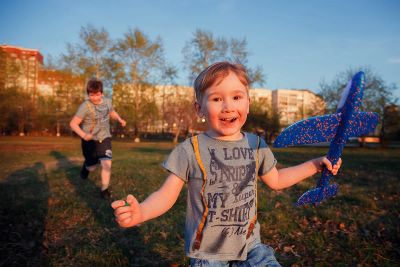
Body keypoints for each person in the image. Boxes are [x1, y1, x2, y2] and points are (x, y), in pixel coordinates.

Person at [111, 62, 342, 266]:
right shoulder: (190, 150)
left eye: (236, 97)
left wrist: (314, 164)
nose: (228, 106)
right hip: (208, 253)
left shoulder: (256, 144)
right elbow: (165, 196)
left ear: (248, 104)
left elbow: (278, 180)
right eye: (216, 99)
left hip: (251, 246)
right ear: (199, 108)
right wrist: (141, 211)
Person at [70, 78, 126, 200]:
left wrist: (119, 119)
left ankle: (104, 189)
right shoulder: (85, 106)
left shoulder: (107, 102)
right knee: (92, 167)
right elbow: (73, 124)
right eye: (91, 95)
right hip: (89, 140)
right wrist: (84, 135)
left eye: (97, 94)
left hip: (104, 138)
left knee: (107, 164)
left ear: (102, 93)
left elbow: (112, 112)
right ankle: (86, 166)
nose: (94, 98)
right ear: (88, 94)